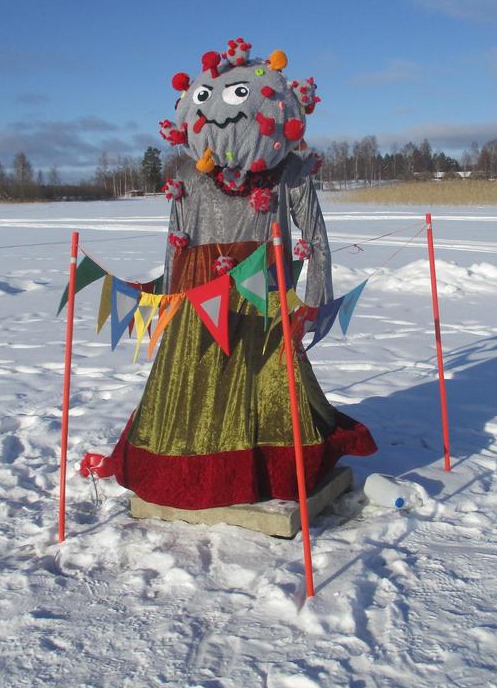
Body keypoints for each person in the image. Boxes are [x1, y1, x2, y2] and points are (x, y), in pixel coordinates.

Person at [81, 38, 376, 509]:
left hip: (263, 293)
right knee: (196, 380)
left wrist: (315, 304)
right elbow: (175, 240)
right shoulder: (187, 176)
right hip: (199, 296)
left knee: (268, 382)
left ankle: (264, 467)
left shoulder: (289, 172)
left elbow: (316, 238)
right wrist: (169, 300)